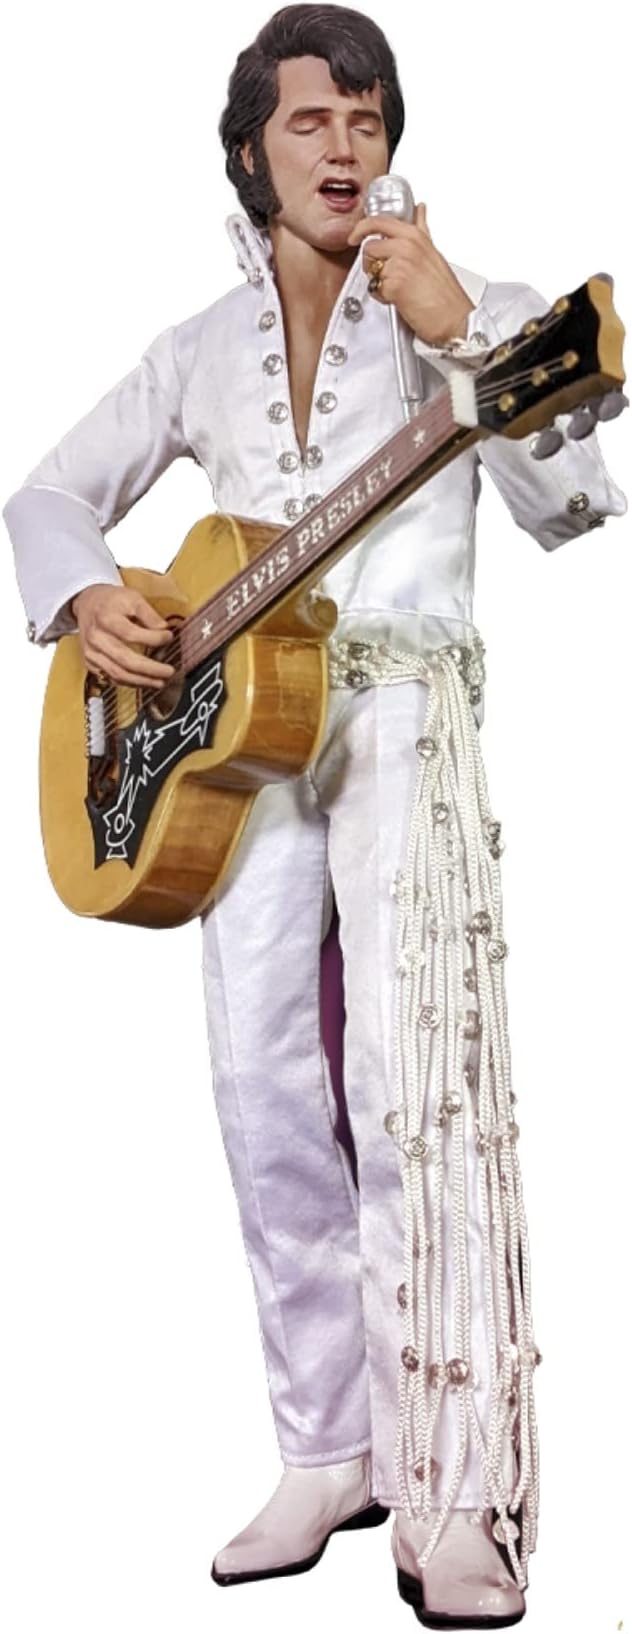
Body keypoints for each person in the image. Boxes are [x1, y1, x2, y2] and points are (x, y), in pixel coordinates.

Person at [3, 6, 626, 1628]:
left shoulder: (465, 304)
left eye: (367, 119)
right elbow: (48, 492)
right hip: (236, 750)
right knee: (265, 1086)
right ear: (251, 153)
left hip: (405, 718)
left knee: (416, 1089)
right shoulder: (199, 345)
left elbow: (577, 496)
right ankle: (328, 1445)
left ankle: (458, 1484)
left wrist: (467, 333)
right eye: (310, 121)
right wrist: (87, 596)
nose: (345, 146)